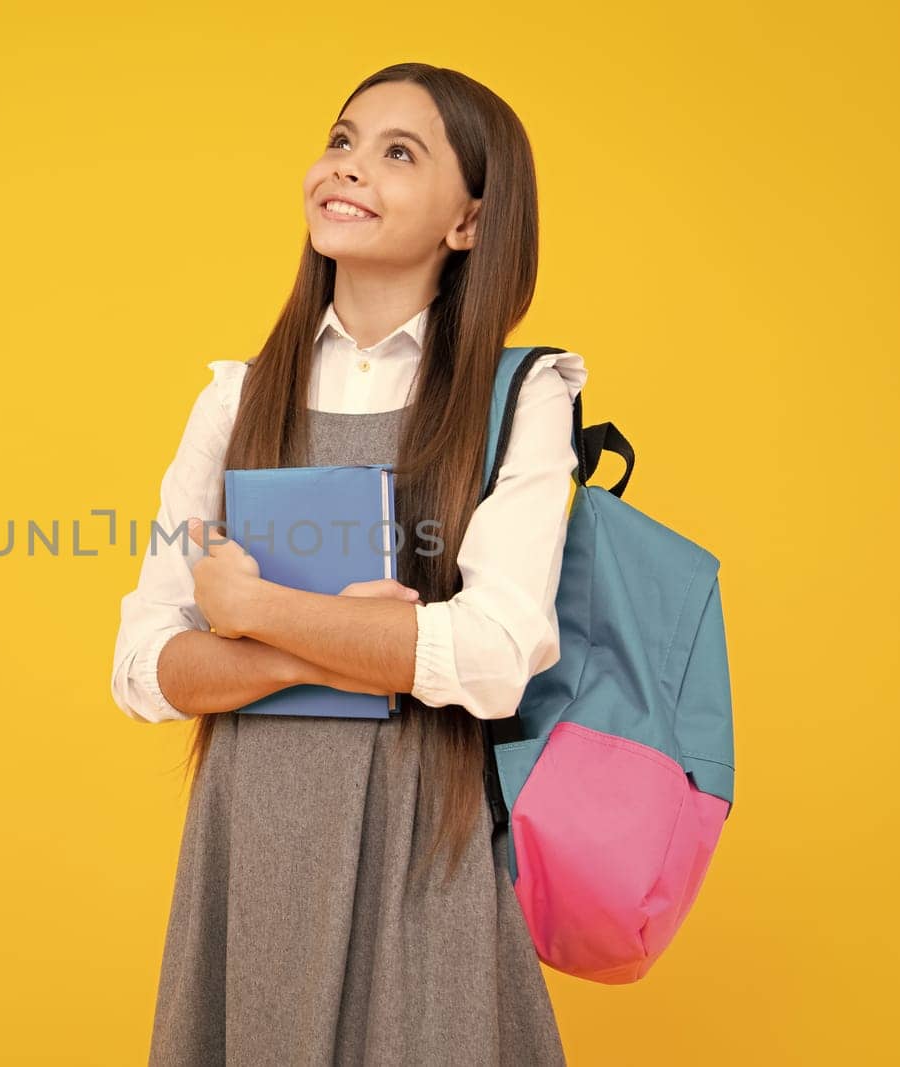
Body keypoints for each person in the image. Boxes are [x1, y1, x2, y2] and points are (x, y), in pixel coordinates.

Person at [109, 62, 586, 1066]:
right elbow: (146, 668)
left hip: (424, 846)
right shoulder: (234, 400)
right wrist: (337, 650)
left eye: (397, 152)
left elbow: (496, 655)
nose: (348, 167)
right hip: (255, 853)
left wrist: (252, 609)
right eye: (340, 139)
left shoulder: (524, 394)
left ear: (467, 222)